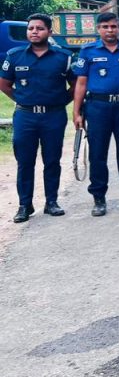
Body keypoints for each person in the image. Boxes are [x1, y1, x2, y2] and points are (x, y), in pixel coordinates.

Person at [1, 13, 74, 222]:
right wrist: (23, 100)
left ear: (49, 32)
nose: (34, 32)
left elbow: (76, 84)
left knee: (52, 160)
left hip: (53, 116)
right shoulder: (14, 56)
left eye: (40, 28)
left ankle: (51, 202)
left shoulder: (63, 57)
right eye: (31, 28)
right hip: (25, 117)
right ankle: (25, 205)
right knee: (25, 162)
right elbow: (4, 84)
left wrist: (62, 102)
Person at [72, 12, 119, 216]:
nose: (109, 30)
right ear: (98, 29)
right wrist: (77, 111)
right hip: (97, 108)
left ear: (118, 27)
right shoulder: (87, 51)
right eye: (105, 27)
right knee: (97, 155)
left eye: (113, 26)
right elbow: (81, 83)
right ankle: (99, 199)